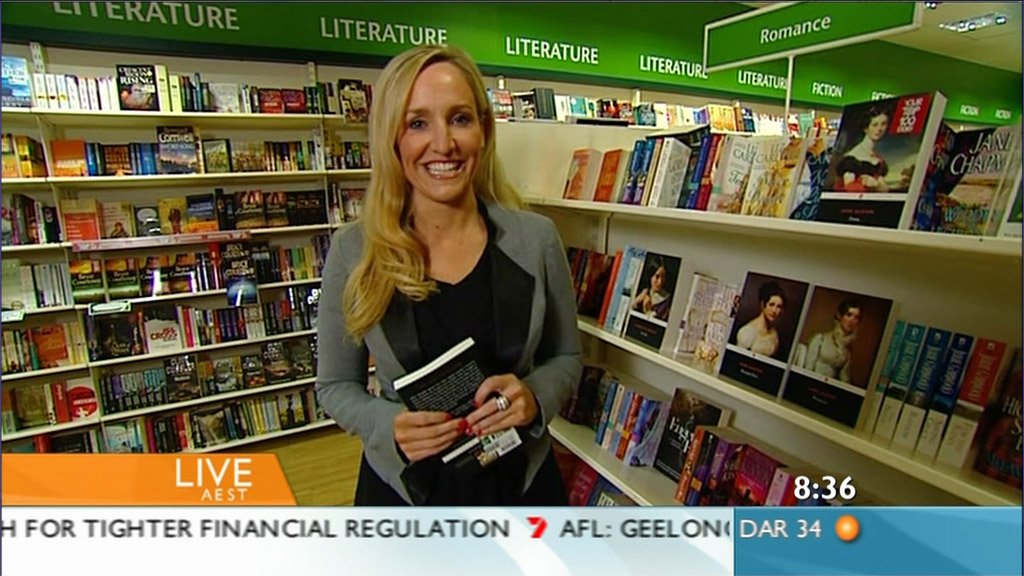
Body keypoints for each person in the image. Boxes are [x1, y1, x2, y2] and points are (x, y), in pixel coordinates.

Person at [315, 45, 581, 506]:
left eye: (459, 119)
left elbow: (566, 356)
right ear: (391, 138)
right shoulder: (354, 250)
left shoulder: (536, 239)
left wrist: (535, 396)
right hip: (405, 494)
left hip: (519, 486)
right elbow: (335, 385)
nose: (443, 144)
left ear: (484, 129)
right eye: (417, 123)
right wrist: (386, 425)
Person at [834, 105, 893, 192]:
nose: (879, 129)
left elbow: (884, 189)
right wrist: (861, 182)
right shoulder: (851, 159)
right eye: (875, 125)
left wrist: (877, 185)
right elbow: (849, 190)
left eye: (883, 124)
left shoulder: (878, 160)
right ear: (866, 128)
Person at [802, 299, 862, 384]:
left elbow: (845, 380)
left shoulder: (847, 350)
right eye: (849, 315)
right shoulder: (820, 339)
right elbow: (808, 369)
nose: (852, 320)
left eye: (856, 317)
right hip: (811, 384)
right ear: (839, 315)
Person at [735, 281, 786, 358]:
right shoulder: (747, 331)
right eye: (771, 304)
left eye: (778, 306)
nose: (774, 310)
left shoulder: (775, 336)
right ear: (763, 305)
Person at [632, 256, 671, 321]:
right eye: (657, 277)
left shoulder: (667, 299)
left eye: (663, 277)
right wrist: (637, 301)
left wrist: (648, 311)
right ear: (651, 276)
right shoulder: (644, 293)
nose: (660, 282)